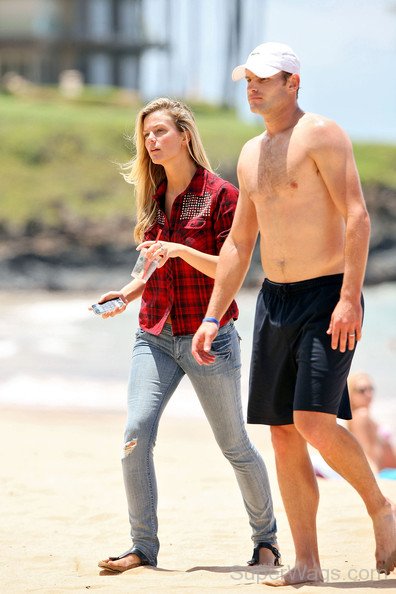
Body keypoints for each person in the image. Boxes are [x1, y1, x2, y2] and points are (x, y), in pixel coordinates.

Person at [192, 42, 396, 585]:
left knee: (312, 422)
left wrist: (351, 296)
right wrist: (213, 316)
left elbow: (357, 216)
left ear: (293, 83)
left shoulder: (322, 134)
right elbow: (239, 243)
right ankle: (307, 563)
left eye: (263, 79)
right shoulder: (250, 153)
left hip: (327, 295)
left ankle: (380, 506)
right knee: (282, 432)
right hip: (274, 300)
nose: (252, 88)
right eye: (247, 80)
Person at [94, 98, 280, 573]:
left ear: (185, 135)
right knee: (136, 432)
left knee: (234, 444)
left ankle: (266, 540)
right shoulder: (154, 198)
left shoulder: (222, 196)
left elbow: (230, 269)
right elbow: (152, 263)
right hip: (153, 334)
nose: (152, 142)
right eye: (146, 136)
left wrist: (179, 249)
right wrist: (129, 292)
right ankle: (143, 547)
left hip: (209, 336)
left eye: (159, 132)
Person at [348, 372, 396, 472]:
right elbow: (365, 451)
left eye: (371, 389)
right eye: (362, 390)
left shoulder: (363, 416)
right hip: (384, 472)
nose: (368, 394)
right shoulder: (361, 415)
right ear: (351, 394)